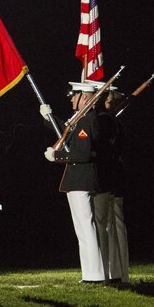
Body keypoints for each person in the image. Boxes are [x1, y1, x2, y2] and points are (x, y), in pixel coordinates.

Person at [42, 80, 112, 283]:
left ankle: (93, 276)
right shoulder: (86, 119)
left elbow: (81, 154)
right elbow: (65, 130)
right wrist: (49, 118)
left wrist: (58, 156)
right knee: (88, 230)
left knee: (86, 230)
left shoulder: (86, 121)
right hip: (84, 179)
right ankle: (95, 274)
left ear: (86, 97)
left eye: (75, 95)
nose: (72, 99)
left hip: (81, 180)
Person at [98, 90, 129, 284]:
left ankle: (117, 272)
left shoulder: (110, 122)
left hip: (111, 177)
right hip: (113, 176)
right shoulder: (112, 122)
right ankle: (117, 272)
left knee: (114, 225)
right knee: (113, 225)